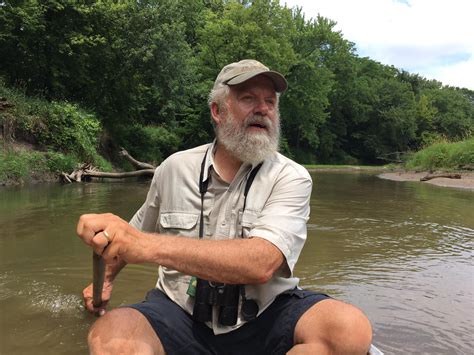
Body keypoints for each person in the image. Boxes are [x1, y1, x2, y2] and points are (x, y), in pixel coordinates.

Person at [77, 59, 373, 354]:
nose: (263, 109)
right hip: (179, 313)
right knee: (112, 337)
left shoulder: (291, 176)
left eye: (270, 101)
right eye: (248, 99)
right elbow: (130, 236)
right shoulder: (173, 169)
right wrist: (105, 281)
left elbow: (262, 264)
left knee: (348, 330)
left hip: (266, 315)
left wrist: (147, 246)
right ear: (217, 111)